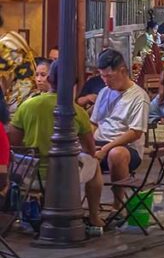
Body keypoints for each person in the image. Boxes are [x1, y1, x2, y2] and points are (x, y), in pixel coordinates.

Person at [11, 62, 107, 236]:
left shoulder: (27, 106)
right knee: (94, 162)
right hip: (65, 178)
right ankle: (94, 216)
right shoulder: (78, 112)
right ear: (74, 84)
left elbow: (14, 144)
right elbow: (90, 150)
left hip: (30, 177)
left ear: (49, 79)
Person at [91, 49, 150, 209]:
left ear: (122, 71)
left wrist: (106, 148)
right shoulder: (104, 92)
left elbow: (135, 132)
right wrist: (88, 143)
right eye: (102, 76)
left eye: (109, 76)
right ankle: (92, 209)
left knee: (115, 154)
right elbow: (94, 123)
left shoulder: (139, 96)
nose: (105, 80)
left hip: (125, 147)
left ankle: (117, 206)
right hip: (100, 142)